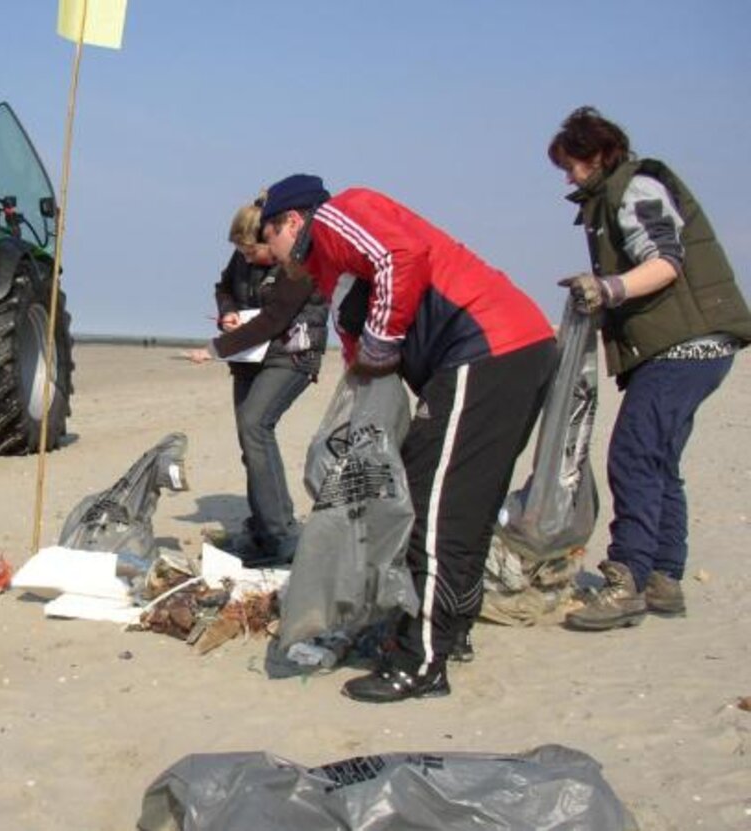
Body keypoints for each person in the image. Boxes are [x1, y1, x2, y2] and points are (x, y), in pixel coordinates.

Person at [258, 174, 557, 702]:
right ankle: (451, 631)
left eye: (269, 237)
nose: (269, 252)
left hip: (486, 346)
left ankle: (419, 660)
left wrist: (382, 340)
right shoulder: (330, 269)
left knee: (428, 507)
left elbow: (401, 254)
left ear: (292, 221)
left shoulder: (336, 216)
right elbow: (364, 366)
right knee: (463, 505)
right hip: (508, 352)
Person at [548, 107, 751, 631]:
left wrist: (608, 288)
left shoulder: (633, 188)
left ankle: (627, 580)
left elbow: (665, 261)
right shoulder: (615, 192)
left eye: (572, 165)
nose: (569, 177)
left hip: (683, 346)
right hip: (696, 347)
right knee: (658, 460)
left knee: (633, 454)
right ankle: (663, 577)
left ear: (597, 154)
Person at [185, 199, 329, 565]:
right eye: (240, 252)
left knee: (255, 423)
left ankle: (282, 535)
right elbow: (224, 287)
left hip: (291, 354)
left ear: (271, 237)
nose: (246, 259)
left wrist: (216, 348)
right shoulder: (243, 258)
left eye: (252, 251)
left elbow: (272, 321)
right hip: (248, 356)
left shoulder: (299, 263)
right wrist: (228, 313)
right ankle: (263, 531)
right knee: (250, 440)